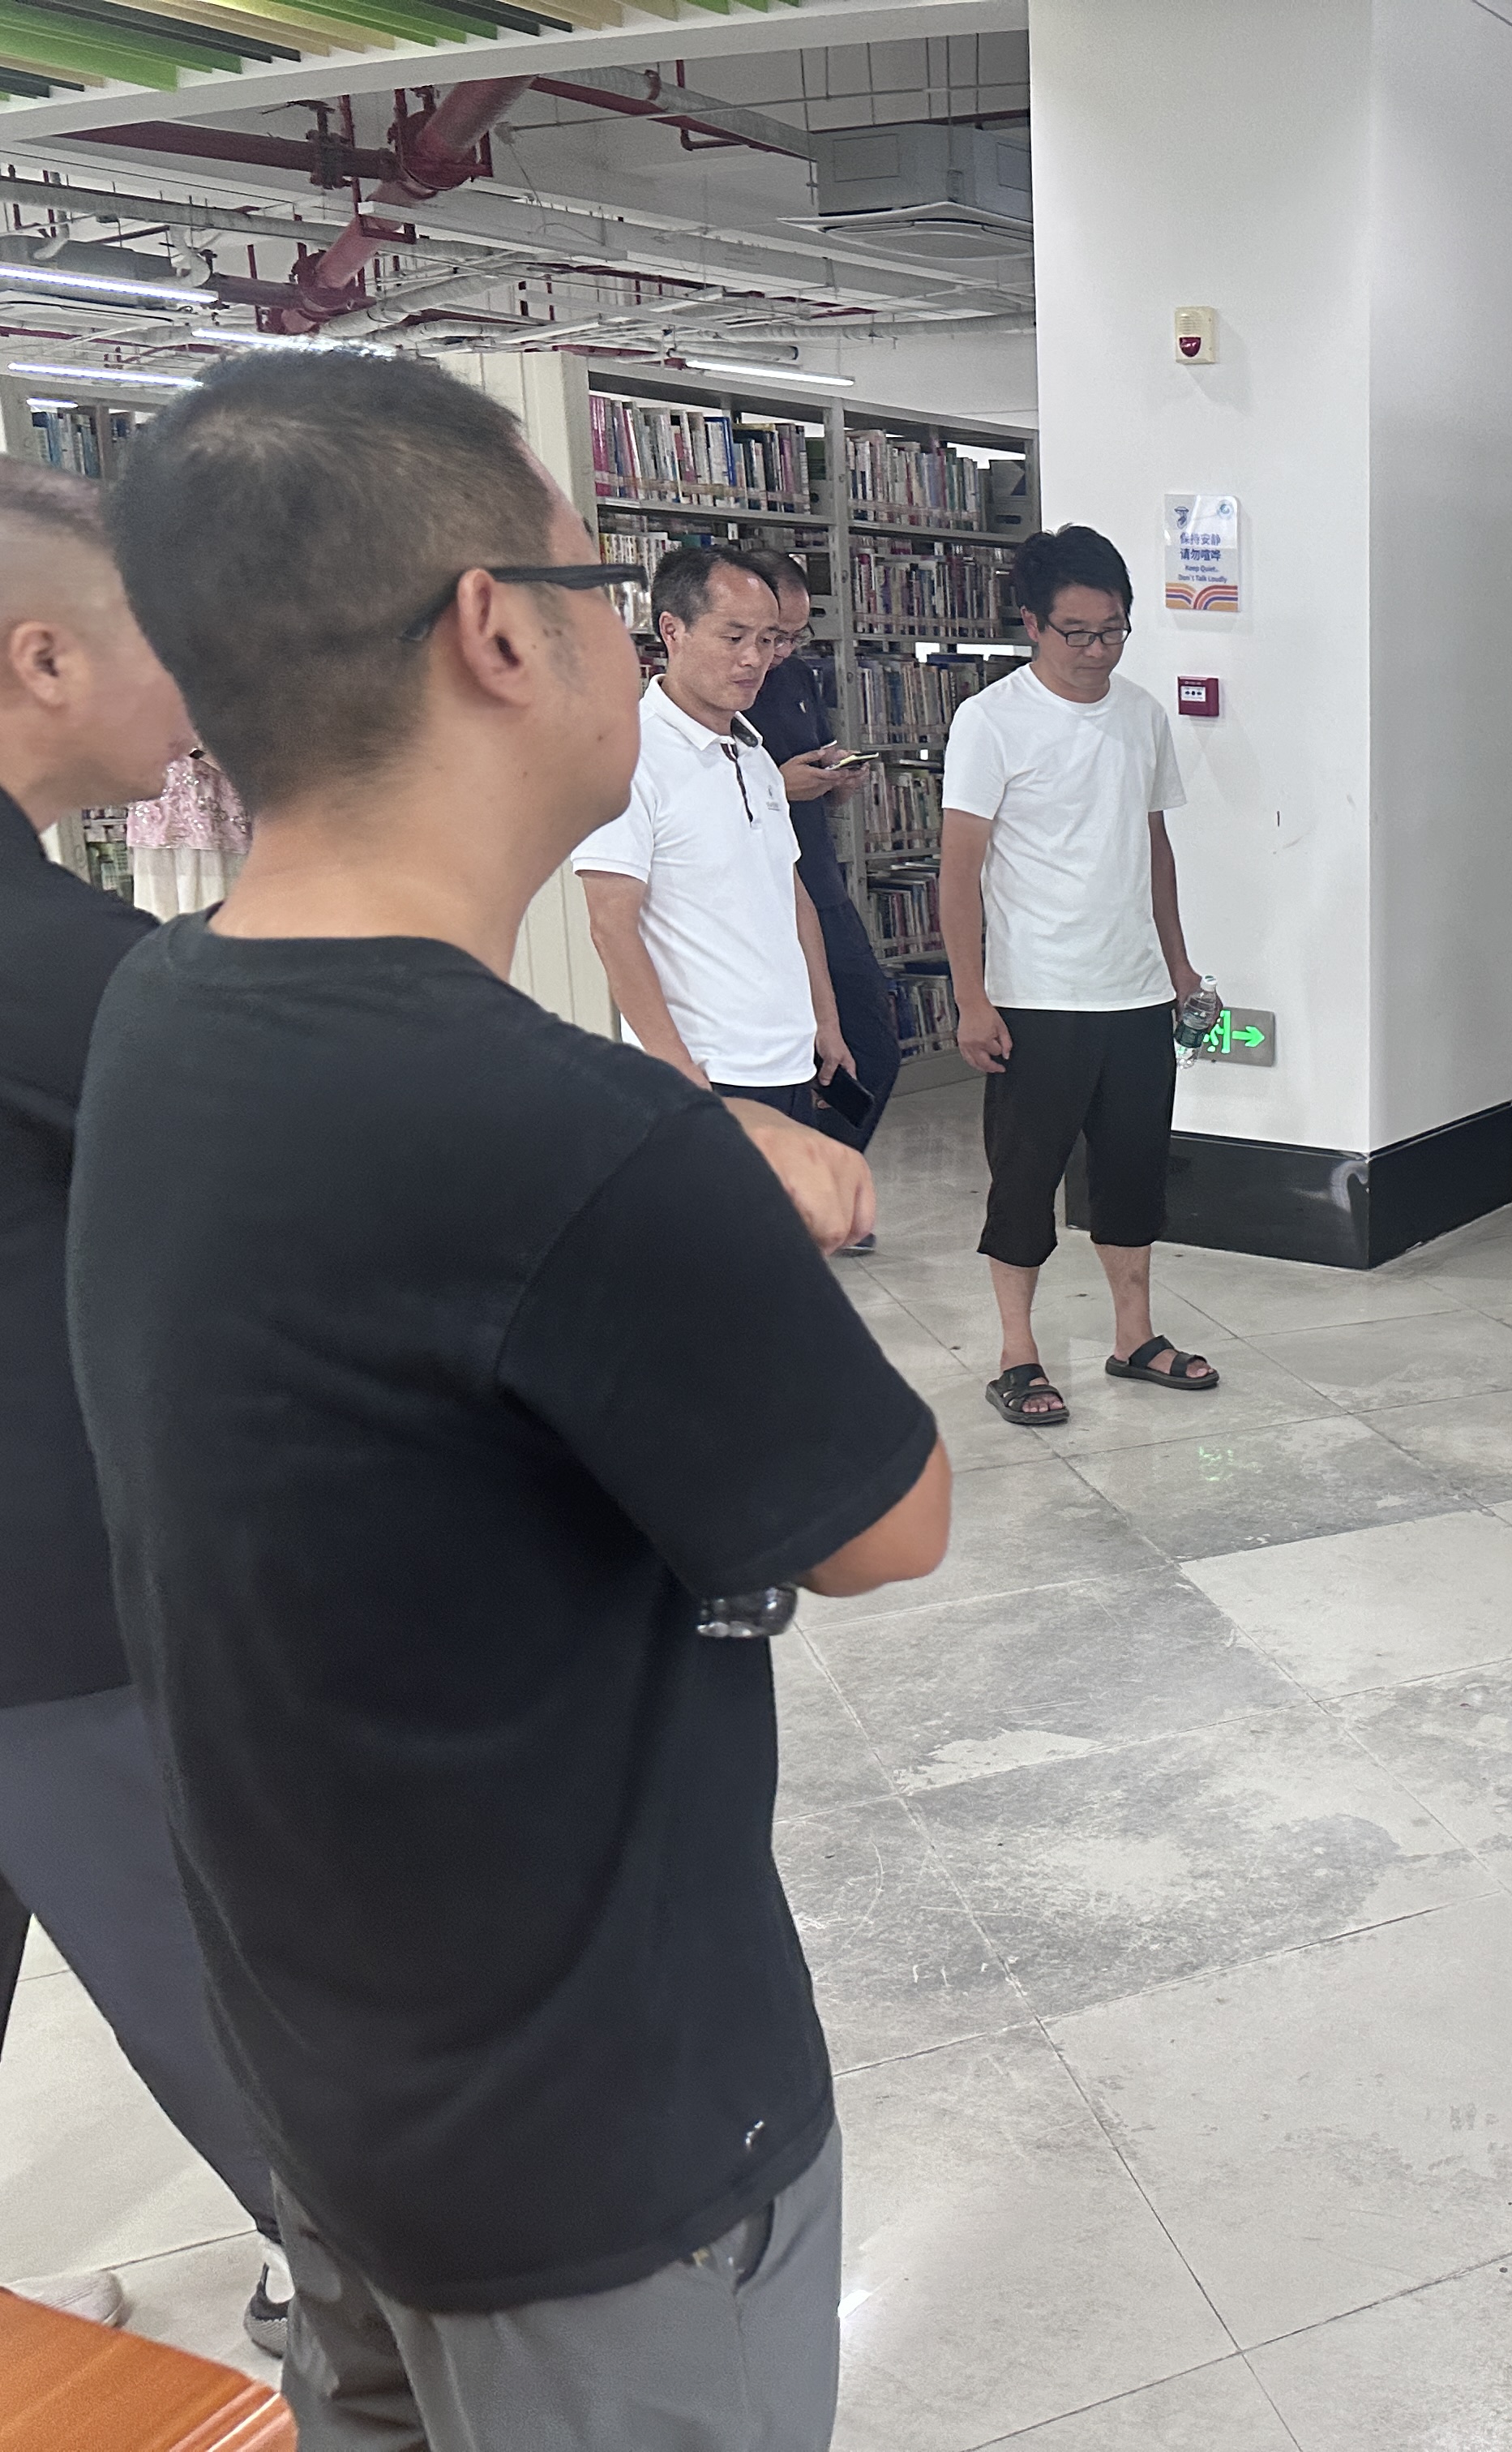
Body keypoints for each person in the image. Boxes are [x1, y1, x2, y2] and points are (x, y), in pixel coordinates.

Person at [74, 349, 952, 2450]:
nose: (629, 641)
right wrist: (723, 1188)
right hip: (599, 2152)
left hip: (336, 2081)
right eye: (601, 589)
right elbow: (889, 1521)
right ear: (495, 630)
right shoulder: (577, 1138)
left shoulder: (162, 1009)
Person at [0, 459, 290, 2357]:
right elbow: (313, 1155)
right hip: (56, 1621)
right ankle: (369, 2301)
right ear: (43, 662)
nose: (196, 690)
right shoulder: (58, 966)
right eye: (167, 644)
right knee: (246, 2013)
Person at [941, 523, 1213, 1426]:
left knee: (1134, 1176)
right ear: (1032, 624)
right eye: (1078, 634)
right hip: (1035, 997)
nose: (1098, 651)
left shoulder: (1141, 714)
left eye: (1114, 631)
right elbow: (959, 870)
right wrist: (972, 997)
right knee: (1025, 1184)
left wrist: (1179, 966)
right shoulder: (991, 721)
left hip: (1134, 992)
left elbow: (1154, 847)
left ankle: (1134, 1336)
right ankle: (1017, 1354)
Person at [576, 546, 855, 1134]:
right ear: (672, 631)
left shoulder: (753, 753)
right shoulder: (626, 757)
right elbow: (611, 927)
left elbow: (792, 897)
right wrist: (676, 1068)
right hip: (706, 1071)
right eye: (734, 637)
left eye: (769, 639)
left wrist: (825, 1022)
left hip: (789, 1060)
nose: (755, 658)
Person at [746, 555, 901, 1183]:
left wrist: (836, 781)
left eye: (794, 636)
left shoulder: (796, 677)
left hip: (821, 886)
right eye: (772, 635)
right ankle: (799, 1194)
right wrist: (777, 787)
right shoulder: (724, 690)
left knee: (872, 1050)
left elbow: (810, 766)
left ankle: (828, 1178)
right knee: (787, 1063)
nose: (781, 650)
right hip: (762, 904)